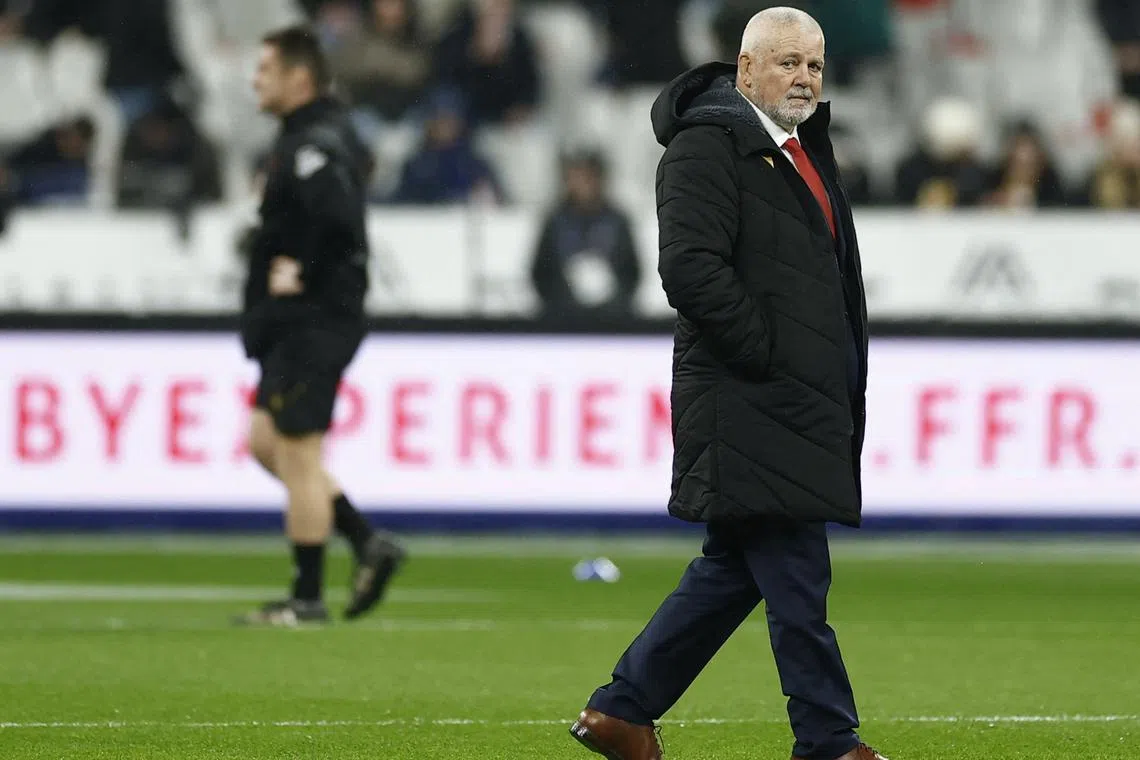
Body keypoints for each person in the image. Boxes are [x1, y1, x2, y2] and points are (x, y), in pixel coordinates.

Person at [568, 8, 886, 760]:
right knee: (798, 577)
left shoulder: (799, 149)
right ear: (745, 71)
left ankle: (623, 709)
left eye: (814, 64)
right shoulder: (708, 148)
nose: (804, 77)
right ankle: (829, 740)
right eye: (787, 63)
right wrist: (767, 354)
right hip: (752, 397)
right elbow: (689, 266)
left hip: (791, 400)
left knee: (735, 570)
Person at [236, 24, 405, 627]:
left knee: (299, 452)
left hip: (313, 319)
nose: (255, 80)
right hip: (297, 321)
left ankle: (306, 597)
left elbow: (336, 220)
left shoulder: (315, 143)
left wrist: (296, 265)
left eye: (265, 70)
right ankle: (366, 542)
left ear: (298, 78)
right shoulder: (305, 137)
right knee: (266, 442)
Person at [530, 149, 641, 321]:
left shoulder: (617, 221)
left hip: (611, 318)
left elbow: (632, 273)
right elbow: (540, 274)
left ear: (599, 179)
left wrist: (613, 298)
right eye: (575, 177)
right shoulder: (555, 221)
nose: (581, 184)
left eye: (586, 177)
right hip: (564, 318)